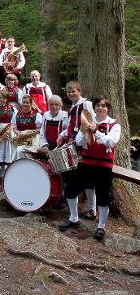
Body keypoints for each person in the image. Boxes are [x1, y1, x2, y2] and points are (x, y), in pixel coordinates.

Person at [59, 96, 121, 241]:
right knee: (70, 190)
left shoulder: (114, 125)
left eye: (103, 106)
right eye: (98, 105)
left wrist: (96, 132)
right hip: (86, 163)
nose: (100, 108)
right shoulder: (88, 121)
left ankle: (101, 226)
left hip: (103, 166)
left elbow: (110, 142)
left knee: (103, 197)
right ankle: (73, 218)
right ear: (94, 108)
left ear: (108, 108)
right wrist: (84, 129)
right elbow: (80, 142)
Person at [57, 81, 97, 219]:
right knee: (70, 173)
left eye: (74, 91)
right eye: (69, 92)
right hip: (74, 143)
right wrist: (62, 136)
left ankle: (92, 209)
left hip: (85, 145)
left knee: (87, 180)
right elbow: (70, 126)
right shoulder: (73, 106)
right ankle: (70, 200)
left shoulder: (86, 104)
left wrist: (80, 137)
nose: (71, 94)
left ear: (79, 91)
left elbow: (92, 121)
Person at [11, 95, 43, 160]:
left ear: (31, 104)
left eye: (27, 102)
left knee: (19, 151)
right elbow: (14, 128)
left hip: (33, 138)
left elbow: (40, 129)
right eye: (24, 102)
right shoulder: (17, 115)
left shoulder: (37, 115)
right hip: (21, 138)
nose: (25, 104)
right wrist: (19, 132)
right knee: (17, 150)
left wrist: (28, 132)